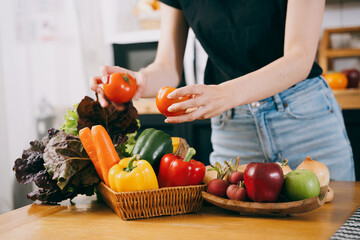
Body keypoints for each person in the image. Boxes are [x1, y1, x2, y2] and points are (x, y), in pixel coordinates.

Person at [91, 0, 355, 181]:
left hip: (305, 119)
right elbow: (167, 67)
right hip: (234, 129)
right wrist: (137, 82)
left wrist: (224, 94)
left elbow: (299, 58)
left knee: (333, 226)